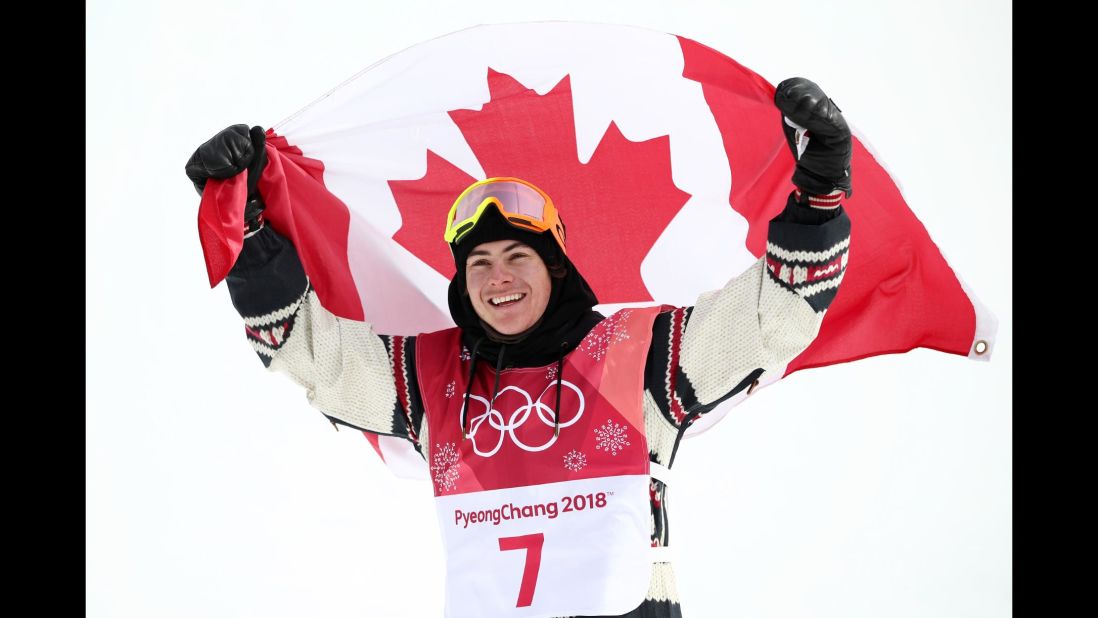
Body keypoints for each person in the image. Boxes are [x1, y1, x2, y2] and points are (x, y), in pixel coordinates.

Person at [185, 77, 854, 618]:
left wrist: (819, 196)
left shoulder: (639, 354)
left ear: (555, 268)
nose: (497, 278)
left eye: (517, 258)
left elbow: (775, 314)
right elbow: (312, 355)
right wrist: (246, 236)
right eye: (478, 265)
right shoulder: (431, 379)